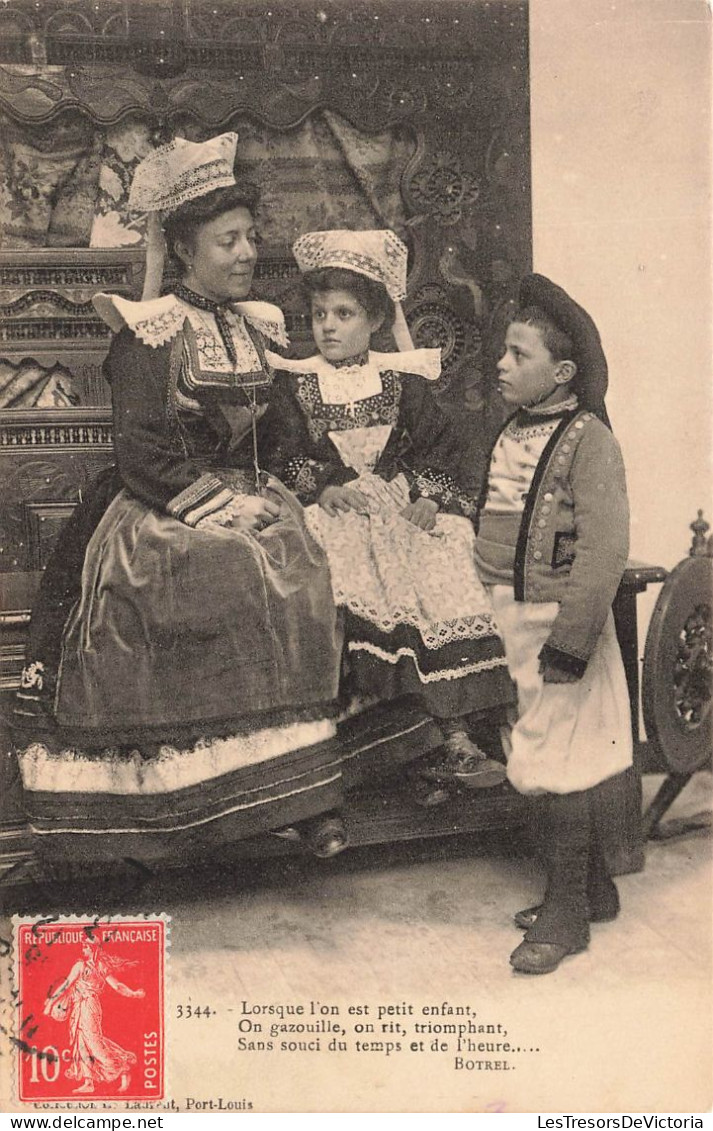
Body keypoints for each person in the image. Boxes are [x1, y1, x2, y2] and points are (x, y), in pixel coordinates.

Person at [12, 132, 347, 860]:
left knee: (300, 557)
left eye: (250, 237)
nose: (246, 254)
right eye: (227, 241)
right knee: (219, 566)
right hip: (157, 504)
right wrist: (222, 505)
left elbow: (286, 433)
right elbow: (140, 448)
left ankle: (295, 790)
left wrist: (312, 487)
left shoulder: (256, 328)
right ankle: (189, 803)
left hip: (249, 496)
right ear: (188, 250)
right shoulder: (152, 332)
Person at [262, 229, 514, 787]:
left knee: (445, 558)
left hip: (401, 507)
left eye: (344, 313)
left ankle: (459, 733)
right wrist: (322, 485)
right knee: (353, 573)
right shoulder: (297, 384)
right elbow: (281, 453)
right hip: (338, 511)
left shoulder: (404, 381)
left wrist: (429, 497)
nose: (328, 325)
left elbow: (442, 449)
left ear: (375, 320)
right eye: (320, 313)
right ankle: (394, 741)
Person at [472, 273, 632, 974]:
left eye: (517, 354)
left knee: (558, 763)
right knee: (536, 750)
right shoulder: (514, 430)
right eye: (503, 353)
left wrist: (570, 639)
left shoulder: (586, 439)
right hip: (514, 616)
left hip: (561, 627)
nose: (501, 365)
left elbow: (603, 546)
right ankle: (591, 887)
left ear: (561, 371)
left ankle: (565, 911)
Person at [43, 937, 144, 1094]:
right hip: (78, 1006)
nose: (83, 950)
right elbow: (66, 984)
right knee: (81, 1042)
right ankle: (88, 1082)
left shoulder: (101, 967)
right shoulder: (79, 965)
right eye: (83, 947)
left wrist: (133, 993)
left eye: (86, 947)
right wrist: (50, 1002)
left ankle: (122, 1068)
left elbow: (117, 985)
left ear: (94, 948)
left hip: (90, 1006)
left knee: (94, 1043)